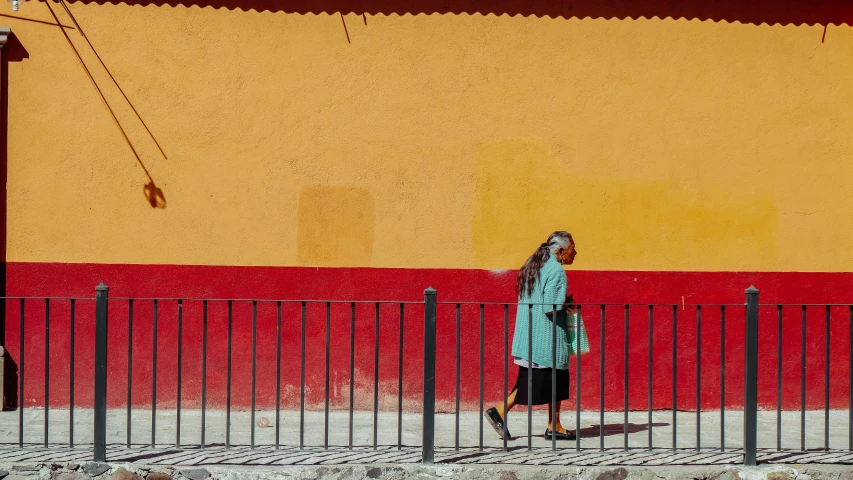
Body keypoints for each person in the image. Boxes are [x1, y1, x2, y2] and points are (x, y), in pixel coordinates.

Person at [485, 231, 578, 441]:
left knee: (553, 382)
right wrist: (569, 304)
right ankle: (499, 412)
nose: (575, 253)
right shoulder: (556, 270)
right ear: (561, 251)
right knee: (536, 385)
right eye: (573, 248)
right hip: (546, 339)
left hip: (529, 335)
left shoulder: (535, 264)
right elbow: (550, 307)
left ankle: (555, 425)